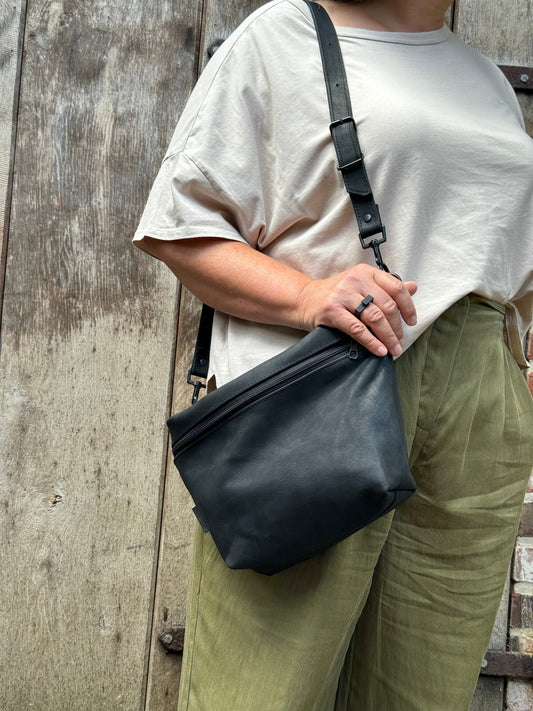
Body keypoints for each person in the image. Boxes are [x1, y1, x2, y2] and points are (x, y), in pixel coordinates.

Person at [133, 1, 533, 709]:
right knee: (260, 688)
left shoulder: (484, 81)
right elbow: (180, 227)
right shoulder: (282, 35)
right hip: (329, 386)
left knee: (423, 689)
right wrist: (307, 296)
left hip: (478, 399)